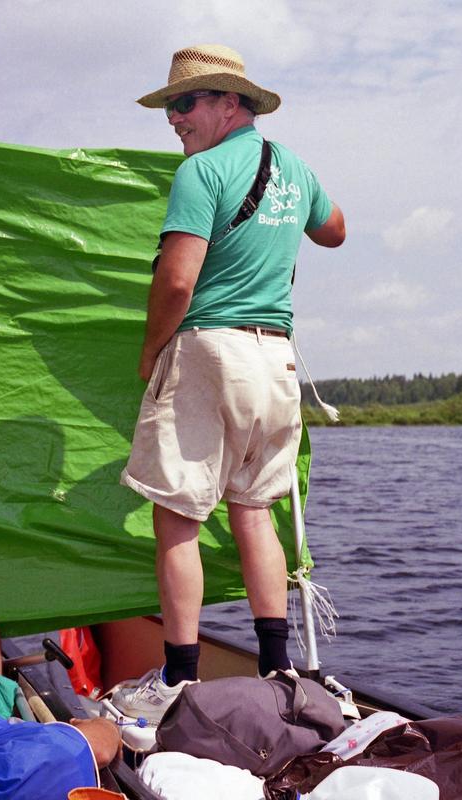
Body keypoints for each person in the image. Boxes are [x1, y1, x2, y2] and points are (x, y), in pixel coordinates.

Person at [116, 44, 345, 720]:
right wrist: (289, 209)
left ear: (229, 103)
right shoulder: (294, 169)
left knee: (177, 515)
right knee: (253, 510)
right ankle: (279, 667)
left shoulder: (202, 172)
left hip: (208, 351)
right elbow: (335, 231)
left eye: (185, 104)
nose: (174, 119)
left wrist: (152, 350)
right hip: (276, 364)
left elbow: (179, 278)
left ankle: (179, 679)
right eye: (170, 106)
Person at [0, 623, 122, 799]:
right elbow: (100, 746)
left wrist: (105, 729)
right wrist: (108, 728)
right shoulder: (18, 777)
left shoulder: (19, 776)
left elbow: (100, 747)